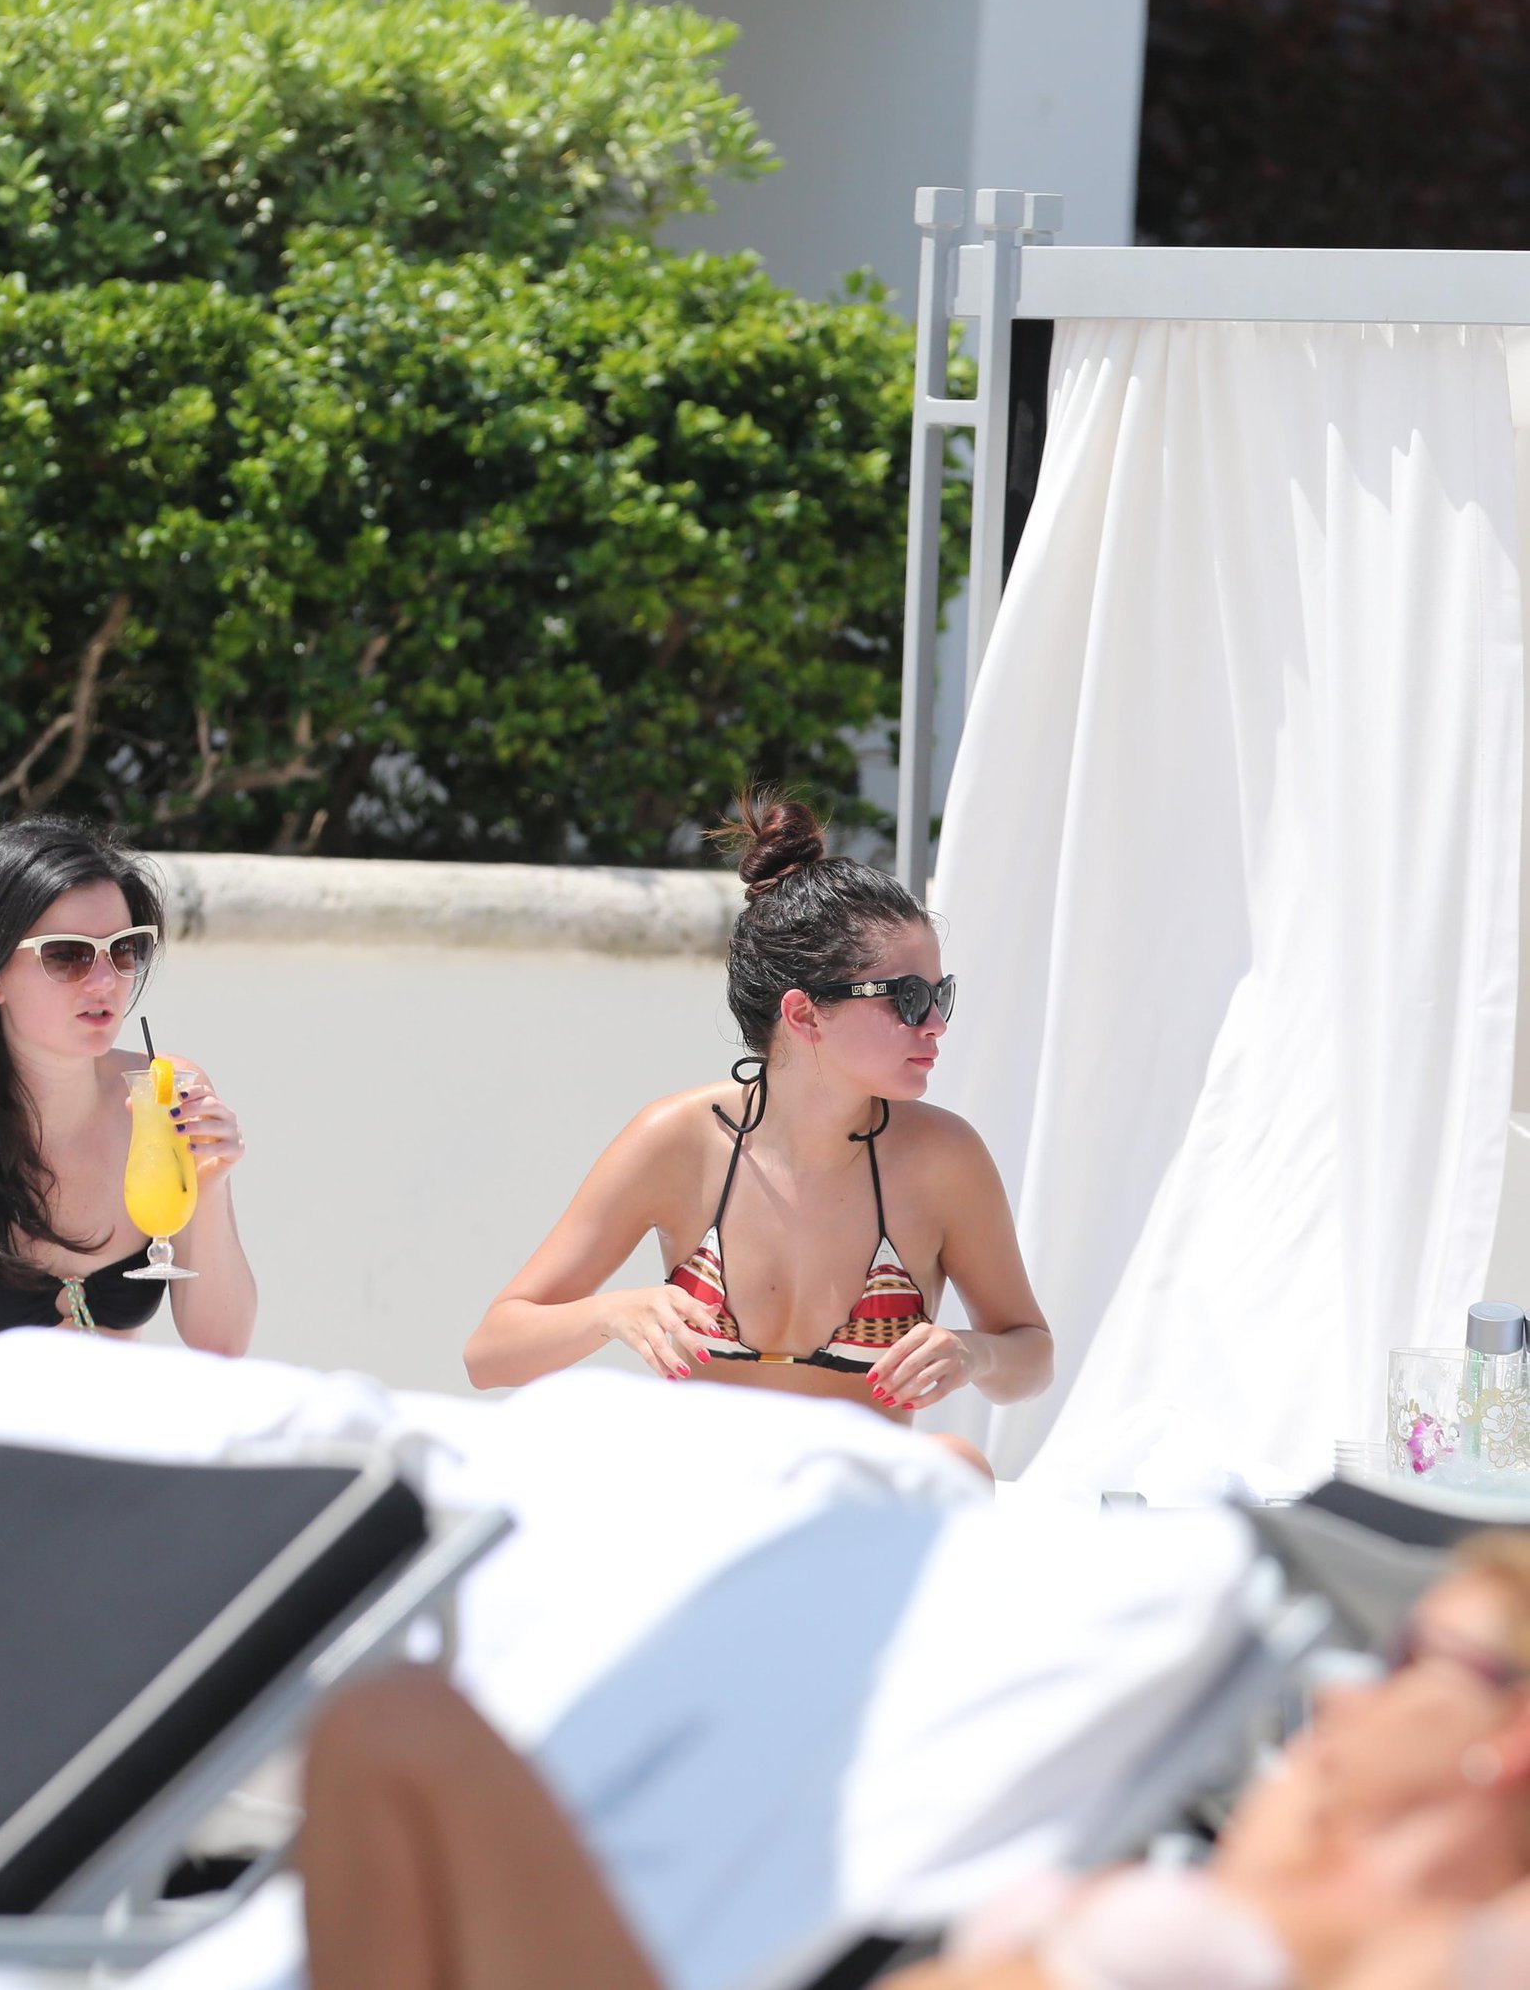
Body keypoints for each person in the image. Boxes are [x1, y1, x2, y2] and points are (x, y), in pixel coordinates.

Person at [299, 1535, 1530, 1990]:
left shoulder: (1465, 1943)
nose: (1347, 1681)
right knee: (391, 1734)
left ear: (1513, 1733)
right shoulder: (1299, 1825)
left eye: (1419, 1652)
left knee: (403, 1734)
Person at [465, 790, 1050, 1448]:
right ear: (803, 1016)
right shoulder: (679, 1141)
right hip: (713, 1504)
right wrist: (612, 1313)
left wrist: (977, 1354)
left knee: (956, 1461)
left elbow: (1029, 1354)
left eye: (941, 994)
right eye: (909, 999)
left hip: (860, 1512)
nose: (938, 1023)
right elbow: (490, 1354)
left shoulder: (944, 1158)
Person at [0, 814, 255, 1417]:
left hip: (114, 1468)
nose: (104, 981)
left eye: (125, 951)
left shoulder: (168, 1092)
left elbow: (220, 1347)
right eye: (67, 956)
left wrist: (212, 1182)